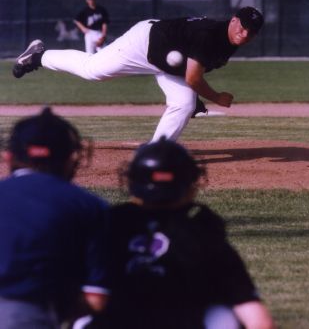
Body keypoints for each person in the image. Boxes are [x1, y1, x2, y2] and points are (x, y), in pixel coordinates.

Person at [73, 137, 276, 329]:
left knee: (83, 321)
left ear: (132, 182)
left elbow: (86, 299)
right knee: (222, 315)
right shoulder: (203, 232)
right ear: (190, 183)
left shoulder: (108, 227)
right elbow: (258, 320)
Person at [12, 6, 264, 142]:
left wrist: (195, 95)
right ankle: (38, 56)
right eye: (243, 27)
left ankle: (158, 150)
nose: (245, 34)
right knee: (92, 70)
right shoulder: (210, 35)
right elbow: (193, 78)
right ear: (233, 21)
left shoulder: (228, 42)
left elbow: (191, 70)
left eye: (251, 32)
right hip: (143, 44)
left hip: (166, 59)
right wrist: (216, 97)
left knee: (184, 103)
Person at [0, 107, 110, 328]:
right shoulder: (89, 206)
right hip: (25, 316)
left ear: (9, 155)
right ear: (71, 158)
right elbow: (96, 298)